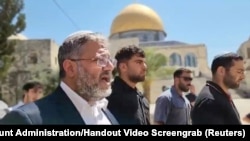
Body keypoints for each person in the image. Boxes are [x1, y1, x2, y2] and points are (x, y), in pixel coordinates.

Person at [0, 31, 118, 125]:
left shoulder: (106, 113)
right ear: (70, 68)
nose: (110, 67)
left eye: (109, 60)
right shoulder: (26, 120)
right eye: (100, 60)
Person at [191, 53, 245, 125]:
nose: (243, 77)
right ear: (221, 71)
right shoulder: (210, 102)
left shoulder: (219, 95)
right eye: (239, 72)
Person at [107, 45, 150, 125]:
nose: (145, 67)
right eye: (139, 62)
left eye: (144, 62)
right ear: (123, 67)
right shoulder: (107, 96)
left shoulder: (142, 99)